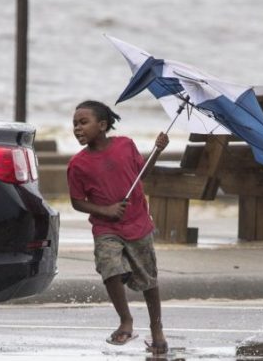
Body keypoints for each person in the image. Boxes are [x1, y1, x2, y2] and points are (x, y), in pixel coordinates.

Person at [66, 100, 170, 355]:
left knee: (148, 279)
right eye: (75, 124)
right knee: (110, 267)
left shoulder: (125, 145)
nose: (78, 128)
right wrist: (106, 210)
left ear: (102, 125)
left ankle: (157, 329)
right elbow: (77, 202)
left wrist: (157, 151)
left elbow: (141, 175)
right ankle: (125, 320)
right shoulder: (77, 165)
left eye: (83, 122)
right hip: (106, 228)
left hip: (137, 224)